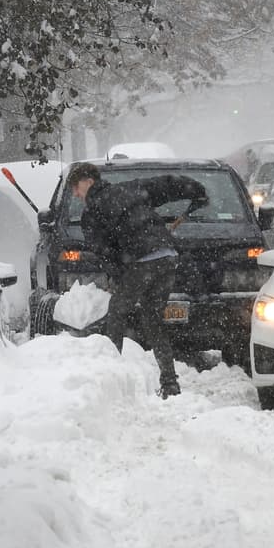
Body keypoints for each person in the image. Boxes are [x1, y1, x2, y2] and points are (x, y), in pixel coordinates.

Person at [67, 162, 208, 398]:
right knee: (153, 321)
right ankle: (170, 383)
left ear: (89, 181)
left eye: (75, 187)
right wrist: (196, 190)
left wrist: (118, 275)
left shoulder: (92, 212)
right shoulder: (129, 189)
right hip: (168, 257)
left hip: (142, 261)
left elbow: (103, 251)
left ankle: (111, 378)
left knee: (116, 313)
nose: (75, 193)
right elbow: (165, 185)